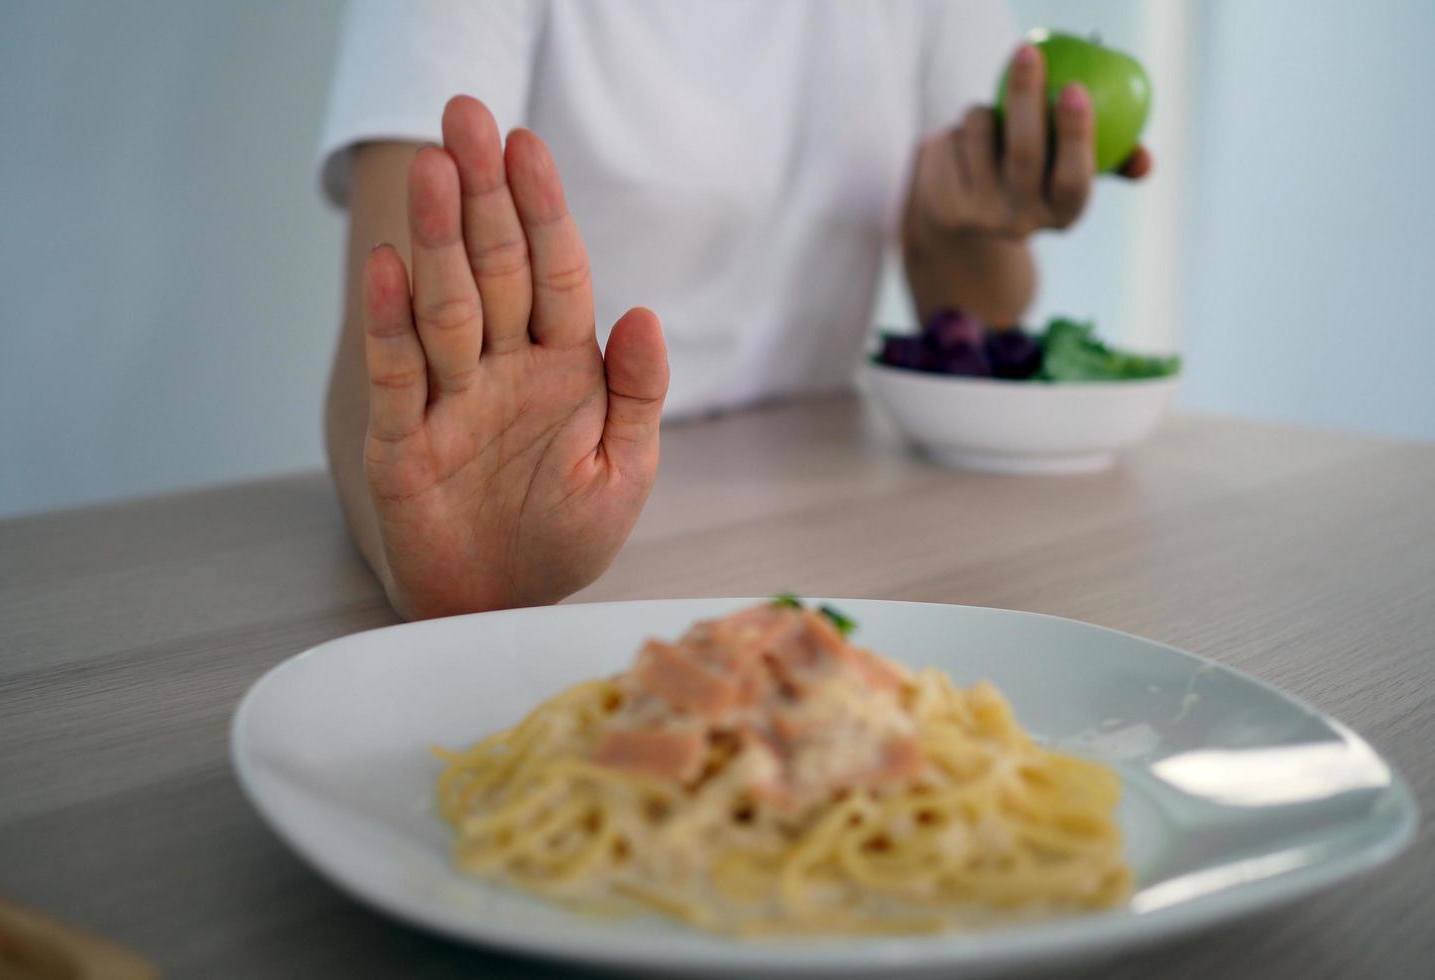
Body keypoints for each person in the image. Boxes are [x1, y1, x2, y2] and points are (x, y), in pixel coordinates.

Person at [318, 2, 1151, 620]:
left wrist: (956, 217)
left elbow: (978, 315)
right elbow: (387, 381)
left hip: (834, 531)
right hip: (573, 539)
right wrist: (434, 563)